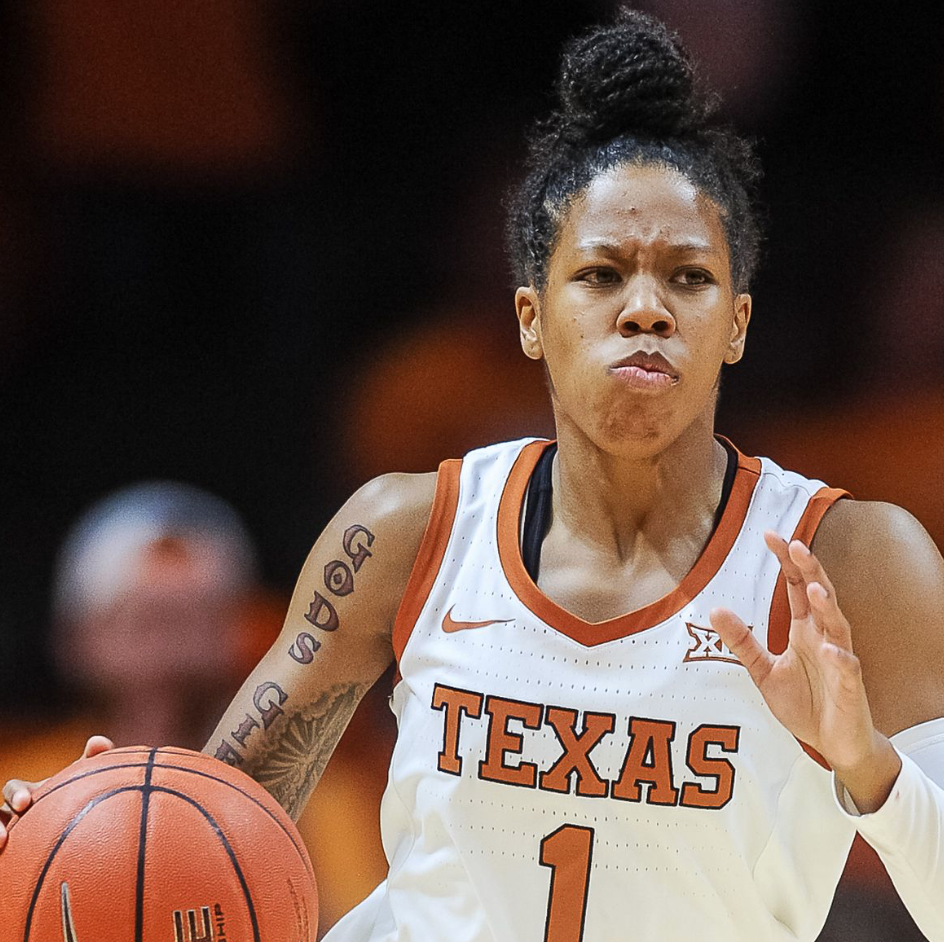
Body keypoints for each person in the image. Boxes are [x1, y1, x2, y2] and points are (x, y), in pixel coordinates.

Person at [4, 9, 944, 941]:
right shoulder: (410, 532)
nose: (646, 309)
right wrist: (107, 825)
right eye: (602, 274)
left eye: (689, 278)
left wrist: (872, 774)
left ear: (736, 323)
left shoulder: (853, 564)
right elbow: (217, 843)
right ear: (531, 316)